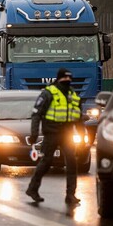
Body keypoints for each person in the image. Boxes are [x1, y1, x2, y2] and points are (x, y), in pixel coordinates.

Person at [25, 68, 83, 205]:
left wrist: (82, 135)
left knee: (72, 162)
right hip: (52, 133)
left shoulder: (73, 94)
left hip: (67, 133)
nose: (68, 81)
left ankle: (70, 195)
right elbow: (36, 114)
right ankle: (32, 189)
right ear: (59, 79)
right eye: (65, 79)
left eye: (70, 79)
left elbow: (78, 117)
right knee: (46, 162)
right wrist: (34, 134)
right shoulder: (48, 93)